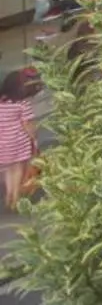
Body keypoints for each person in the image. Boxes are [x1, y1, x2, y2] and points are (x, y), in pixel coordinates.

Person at [0, 68, 38, 210]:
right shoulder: (22, 104)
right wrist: (34, 138)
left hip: (2, 143)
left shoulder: (2, 103)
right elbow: (27, 124)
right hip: (18, 142)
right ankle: (15, 197)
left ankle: (9, 194)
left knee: (8, 170)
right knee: (17, 169)